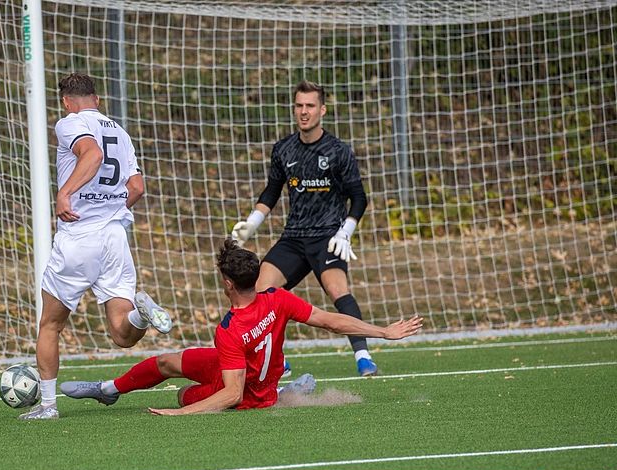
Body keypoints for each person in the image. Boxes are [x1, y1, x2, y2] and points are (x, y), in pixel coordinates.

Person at [61, 240, 422, 415]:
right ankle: (108, 389)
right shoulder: (276, 298)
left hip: (250, 393)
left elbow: (232, 395)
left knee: (183, 394)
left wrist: (180, 412)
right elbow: (330, 320)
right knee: (166, 362)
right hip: (236, 363)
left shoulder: (230, 329)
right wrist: (383, 331)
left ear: (228, 284)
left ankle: (282, 392)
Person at [20, 73, 173, 420]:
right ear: (97, 99)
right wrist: (112, 209)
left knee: (50, 325)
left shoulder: (69, 123)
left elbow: (91, 153)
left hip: (79, 237)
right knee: (123, 333)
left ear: (66, 102)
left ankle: (47, 406)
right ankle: (142, 314)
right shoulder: (120, 131)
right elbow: (137, 186)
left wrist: (64, 193)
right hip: (114, 238)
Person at [232, 80, 378, 377]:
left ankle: (363, 357)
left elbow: (359, 198)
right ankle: (277, 361)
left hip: (328, 237)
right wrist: (252, 223)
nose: (304, 111)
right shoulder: (283, 149)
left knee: (338, 291)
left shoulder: (338, 151)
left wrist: (345, 232)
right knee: (258, 291)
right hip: (294, 238)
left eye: (310, 105)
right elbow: (271, 192)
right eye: (299, 105)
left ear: (322, 110)